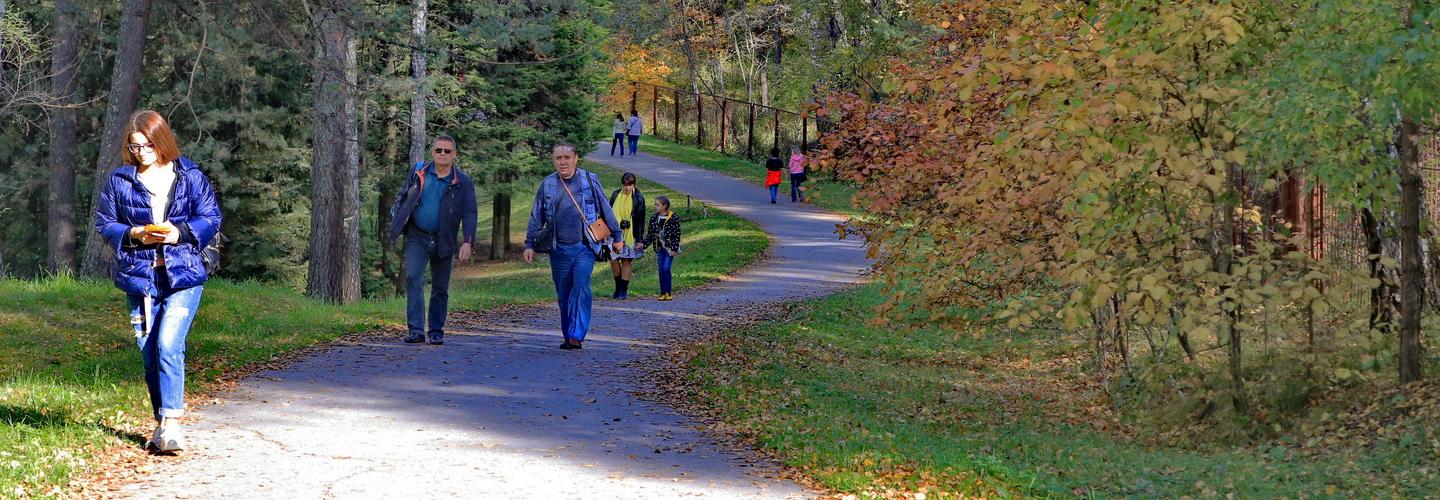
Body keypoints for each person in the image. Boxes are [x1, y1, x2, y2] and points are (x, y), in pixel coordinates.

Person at [94, 110, 222, 452]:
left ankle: (172, 424)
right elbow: (105, 223)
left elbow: (211, 217)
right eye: (135, 146)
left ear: (161, 141)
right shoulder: (119, 181)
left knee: (168, 345)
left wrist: (179, 232)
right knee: (150, 354)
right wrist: (134, 233)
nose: (142, 152)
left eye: (148, 145)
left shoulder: (190, 176)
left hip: (184, 277)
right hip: (141, 279)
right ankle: (161, 422)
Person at [523, 144, 623, 349]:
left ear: (576, 158)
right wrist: (529, 244)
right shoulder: (548, 184)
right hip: (558, 249)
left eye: (567, 157)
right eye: (558, 158)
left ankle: (576, 336)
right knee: (564, 293)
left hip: (584, 247)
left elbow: (605, 207)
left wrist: (617, 236)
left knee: (581, 286)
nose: (563, 162)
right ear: (553, 160)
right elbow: (536, 216)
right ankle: (568, 334)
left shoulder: (589, 180)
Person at [386, 135, 478, 346]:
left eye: (447, 151)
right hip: (417, 235)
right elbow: (403, 195)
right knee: (413, 277)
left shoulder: (462, 181)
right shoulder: (419, 172)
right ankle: (416, 331)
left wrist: (467, 242)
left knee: (440, 287)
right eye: (439, 150)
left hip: (445, 238)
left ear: (454, 154)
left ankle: (436, 331)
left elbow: (470, 213)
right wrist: (397, 215)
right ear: (432, 152)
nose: (442, 154)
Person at [607, 172, 646, 299]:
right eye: (625, 185)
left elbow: (640, 220)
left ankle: (623, 290)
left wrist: (639, 239)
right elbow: (608, 212)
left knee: (626, 260)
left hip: (631, 234)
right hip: (614, 233)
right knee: (613, 260)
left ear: (634, 184)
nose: (627, 188)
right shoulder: (615, 194)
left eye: (630, 185)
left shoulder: (638, 197)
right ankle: (618, 287)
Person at [638, 195, 681, 301]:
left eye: (657, 205)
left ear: (664, 206)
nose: (655, 207)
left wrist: (674, 248)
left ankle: (668, 292)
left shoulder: (673, 218)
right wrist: (644, 244)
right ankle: (663, 293)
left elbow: (676, 234)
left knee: (666, 268)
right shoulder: (654, 218)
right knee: (661, 270)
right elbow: (650, 234)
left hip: (669, 248)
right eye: (655, 205)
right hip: (659, 248)